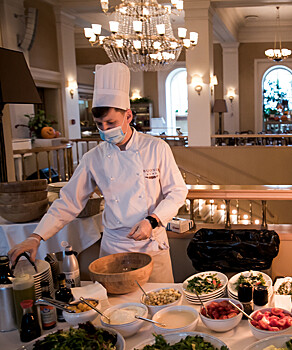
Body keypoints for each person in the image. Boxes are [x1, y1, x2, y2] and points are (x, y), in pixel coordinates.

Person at [8, 62, 188, 283]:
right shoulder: (93, 158)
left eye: (111, 122)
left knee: (161, 307)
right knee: (116, 312)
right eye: (99, 124)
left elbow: (177, 192)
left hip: (152, 243)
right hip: (114, 247)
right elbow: (68, 202)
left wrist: (152, 220)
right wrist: (36, 237)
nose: (104, 130)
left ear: (128, 116)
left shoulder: (156, 148)